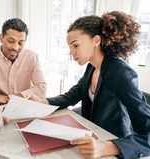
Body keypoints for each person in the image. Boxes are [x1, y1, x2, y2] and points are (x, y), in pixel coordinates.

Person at [32, 11, 150, 159]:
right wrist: (43, 102)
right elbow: (72, 96)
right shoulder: (92, 67)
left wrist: (108, 147)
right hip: (92, 139)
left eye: (75, 45)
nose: (71, 53)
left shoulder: (121, 73)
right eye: (70, 47)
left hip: (114, 145)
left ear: (96, 40)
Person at [0, 18, 46, 111]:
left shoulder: (32, 57)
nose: (16, 48)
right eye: (11, 41)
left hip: (25, 108)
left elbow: (41, 89)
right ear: (1, 38)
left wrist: (9, 98)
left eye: (20, 43)